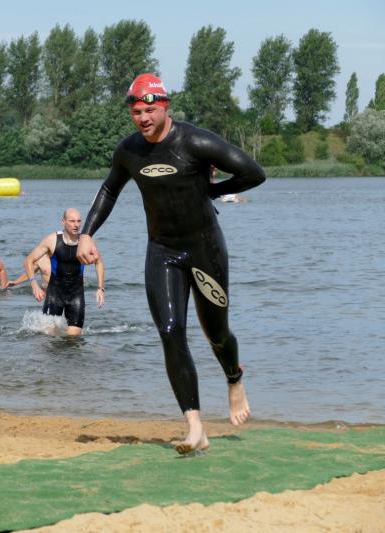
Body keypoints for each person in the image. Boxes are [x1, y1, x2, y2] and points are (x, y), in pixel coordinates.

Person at [76, 73, 265, 454]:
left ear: (165, 107)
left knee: (217, 334)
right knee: (170, 331)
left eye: (150, 111)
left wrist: (214, 190)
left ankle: (233, 378)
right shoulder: (129, 151)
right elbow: (110, 188)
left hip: (205, 250)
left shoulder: (195, 141)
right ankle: (195, 427)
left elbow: (253, 173)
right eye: (136, 113)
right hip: (162, 250)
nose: (143, 118)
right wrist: (86, 233)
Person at [23, 208, 105, 336]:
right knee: (50, 338)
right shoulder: (52, 240)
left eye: (79, 221)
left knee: (73, 338)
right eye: (72, 221)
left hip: (76, 295)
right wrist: (34, 285)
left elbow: (99, 262)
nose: (76, 225)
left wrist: (100, 288)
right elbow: (28, 260)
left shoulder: (86, 241)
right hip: (55, 294)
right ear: (63, 222)